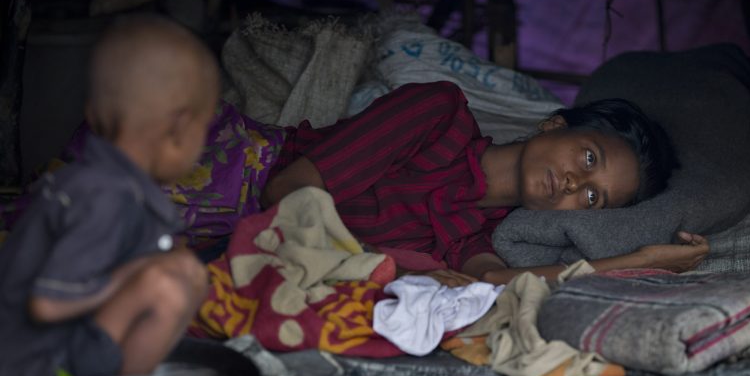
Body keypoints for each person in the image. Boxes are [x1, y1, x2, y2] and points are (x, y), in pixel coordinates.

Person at [261, 81, 709, 286]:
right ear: (554, 125)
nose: (574, 182)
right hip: (235, 173)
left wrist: (644, 259)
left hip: (258, 248)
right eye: (589, 157)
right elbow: (286, 192)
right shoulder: (437, 115)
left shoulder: (476, 230)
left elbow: (496, 280)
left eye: (592, 197)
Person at [0, 14, 219, 376]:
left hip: (45, 352)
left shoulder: (105, 183)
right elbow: (47, 304)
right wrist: (135, 274)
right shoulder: (106, 196)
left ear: (92, 116)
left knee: (185, 271)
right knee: (168, 286)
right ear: (179, 127)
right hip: (32, 370)